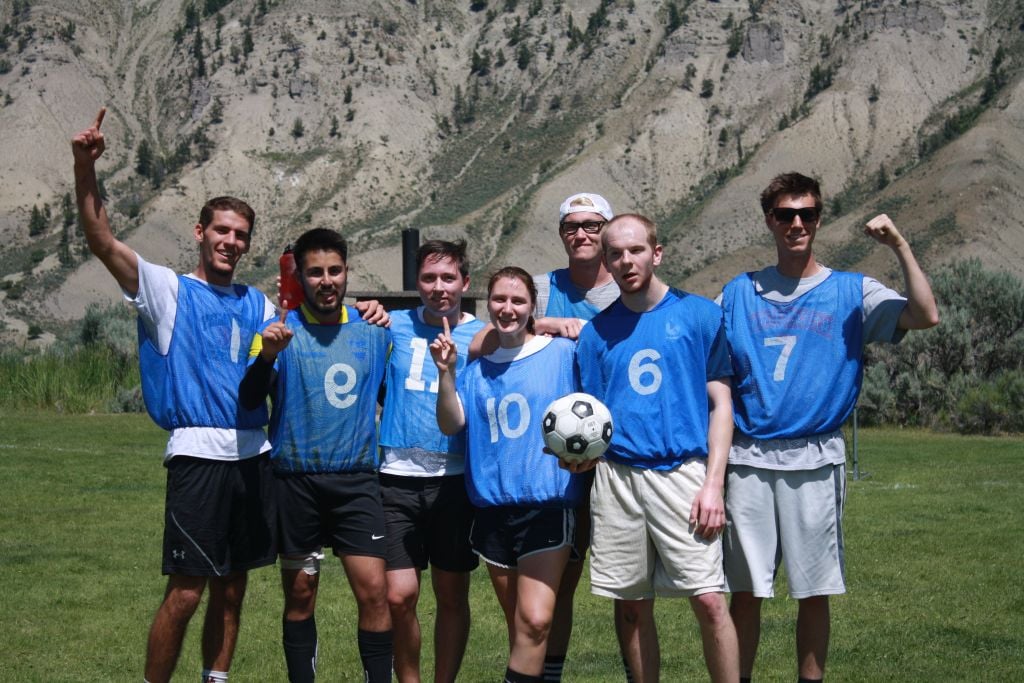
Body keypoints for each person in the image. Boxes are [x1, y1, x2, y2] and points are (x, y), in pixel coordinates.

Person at [73, 108, 277, 683]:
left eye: (240, 235)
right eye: (221, 231)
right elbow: (100, 239)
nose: (230, 242)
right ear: (199, 232)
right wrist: (84, 168)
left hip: (253, 456)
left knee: (233, 589)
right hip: (198, 459)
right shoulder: (166, 291)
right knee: (186, 593)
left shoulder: (258, 304)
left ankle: (217, 679)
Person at [720, 172, 939, 682]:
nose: (797, 223)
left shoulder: (850, 290)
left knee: (813, 589)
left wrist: (900, 246)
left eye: (808, 214)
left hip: (814, 457)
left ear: (819, 219)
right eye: (785, 215)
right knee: (746, 590)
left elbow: (926, 314)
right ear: (769, 221)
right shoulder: (737, 292)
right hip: (748, 455)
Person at [573, 214, 740, 683]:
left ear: (656, 253)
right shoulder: (595, 334)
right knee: (630, 608)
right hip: (617, 479)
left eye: (636, 250)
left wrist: (713, 485)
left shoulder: (700, 315)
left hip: (684, 476)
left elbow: (721, 404)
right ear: (606, 261)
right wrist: (578, 457)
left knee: (708, 599)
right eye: (616, 254)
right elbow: (591, 420)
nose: (627, 261)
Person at [470, 192, 618, 682]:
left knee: (594, 590)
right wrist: (545, 322)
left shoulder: (627, 287)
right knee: (542, 602)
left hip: (615, 458)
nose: (581, 233)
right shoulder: (541, 287)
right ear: (561, 233)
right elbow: (482, 338)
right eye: (572, 225)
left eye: (592, 225)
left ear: (608, 230)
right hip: (552, 462)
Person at [239, 228, 393, 683]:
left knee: (375, 595)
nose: (326, 280)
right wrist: (266, 357)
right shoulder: (277, 334)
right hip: (295, 483)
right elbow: (249, 401)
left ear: (347, 272)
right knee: (301, 595)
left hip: (357, 482)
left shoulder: (374, 331)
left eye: (334, 270)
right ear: (300, 277)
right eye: (315, 272)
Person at [431, 267, 588, 683]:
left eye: (518, 301)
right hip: (493, 512)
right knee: (521, 628)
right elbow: (451, 424)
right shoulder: (474, 371)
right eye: (499, 300)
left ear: (533, 307)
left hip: (548, 504)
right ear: (488, 305)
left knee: (535, 621)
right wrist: (445, 374)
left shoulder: (561, 354)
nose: (508, 309)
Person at [377, 240, 485, 683]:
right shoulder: (391, 326)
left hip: (453, 480)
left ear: (464, 282)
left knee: (451, 594)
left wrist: (561, 321)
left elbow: (530, 330)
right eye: (428, 278)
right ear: (415, 282)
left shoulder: (481, 334)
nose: (438, 287)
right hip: (395, 478)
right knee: (399, 596)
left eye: (448, 278)